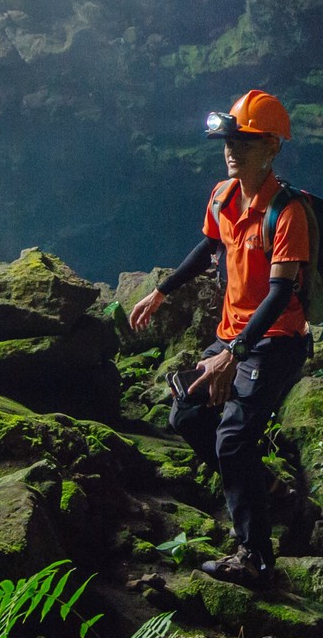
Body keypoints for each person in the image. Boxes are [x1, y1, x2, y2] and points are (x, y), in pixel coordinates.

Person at [130, 90, 311, 583]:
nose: (231, 150)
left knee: (232, 437)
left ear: (272, 148)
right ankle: (265, 486)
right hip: (233, 334)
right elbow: (208, 245)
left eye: (245, 142)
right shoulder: (223, 195)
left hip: (276, 339)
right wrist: (162, 292)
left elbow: (278, 295)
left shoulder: (286, 213)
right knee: (185, 410)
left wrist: (233, 354)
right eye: (228, 141)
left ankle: (255, 558)